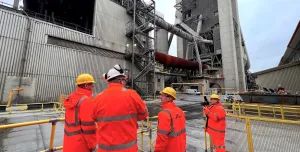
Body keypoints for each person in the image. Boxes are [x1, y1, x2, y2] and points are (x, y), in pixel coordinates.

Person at [93, 64, 148, 152]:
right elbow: (144, 115)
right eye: (124, 80)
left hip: (105, 149)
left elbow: (95, 118)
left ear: (108, 81)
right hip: (128, 149)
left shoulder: (97, 98)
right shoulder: (132, 94)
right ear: (121, 80)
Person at [63, 74, 97, 152]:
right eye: (91, 84)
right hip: (82, 146)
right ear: (86, 85)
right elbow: (88, 128)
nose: (93, 87)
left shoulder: (71, 98)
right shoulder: (87, 101)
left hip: (69, 144)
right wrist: (93, 145)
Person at [154, 87, 186, 152]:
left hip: (170, 148)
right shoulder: (179, 110)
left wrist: (158, 150)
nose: (160, 97)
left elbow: (162, 137)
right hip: (181, 148)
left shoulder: (164, 114)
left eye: (163, 95)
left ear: (170, 98)